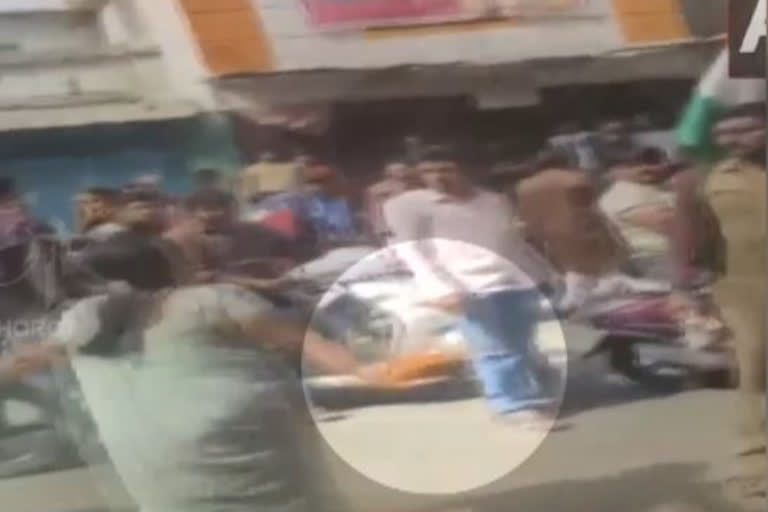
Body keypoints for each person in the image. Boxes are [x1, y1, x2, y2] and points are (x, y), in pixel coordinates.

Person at [8, 239, 375, 512]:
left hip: (163, 474)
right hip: (249, 449)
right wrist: (365, 370)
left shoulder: (82, 322)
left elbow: (25, 363)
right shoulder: (207, 300)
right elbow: (305, 341)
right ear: (167, 267)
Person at [382, 146, 558, 427]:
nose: (439, 176)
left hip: (512, 280)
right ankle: (510, 405)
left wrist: (541, 274)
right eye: (430, 171)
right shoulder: (406, 205)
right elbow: (410, 250)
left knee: (520, 343)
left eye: (446, 169)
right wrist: (438, 288)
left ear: (464, 170)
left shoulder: (494, 201)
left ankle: (528, 390)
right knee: (493, 347)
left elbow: (513, 242)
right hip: (465, 285)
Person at [702, 103, 766, 505]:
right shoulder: (706, 180)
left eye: (744, 130)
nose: (732, 140)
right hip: (746, 290)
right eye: (725, 134)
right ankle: (755, 467)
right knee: (754, 370)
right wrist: (690, 289)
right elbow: (694, 237)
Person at [166, 189, 303, 288]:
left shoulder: (254, 230)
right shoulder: (182, 238)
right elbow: (194, 278)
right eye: (207, 209)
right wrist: (259, 284)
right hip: (214, 298)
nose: (216, 214)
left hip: (271, 287)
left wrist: (285, 264)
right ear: (193, 212)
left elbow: (288, 250)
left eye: (222, 208)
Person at [598, 147, 679, 280]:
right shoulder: (622, 193)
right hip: (655, 261)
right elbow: (670, 224)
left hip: (677, 257)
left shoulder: (659, 188)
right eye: (633, 164)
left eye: (653, 161)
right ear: (613, 171)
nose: (646, 168)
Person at [302, 164, 361, 248]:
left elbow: (346, 227)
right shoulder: (309, 203)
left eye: (322, 182)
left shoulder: (341, 203)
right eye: (313, 183)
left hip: (344, 244)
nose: (317, 186)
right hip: (320, 246)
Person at [365, 162, 421, 243]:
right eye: (399, 170)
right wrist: (380, 226)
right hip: (388, 221)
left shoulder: (414, 186)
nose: (403, 172)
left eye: (404, 170)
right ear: (389, 172)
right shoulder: (377, 189)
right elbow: (374, 210)